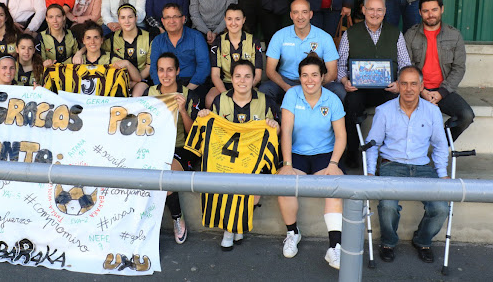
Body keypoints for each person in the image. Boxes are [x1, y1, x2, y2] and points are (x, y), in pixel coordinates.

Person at [365, 66, 449, 264]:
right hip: (391, 165)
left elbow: (440, 145)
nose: (409, 89)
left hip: (422, 167)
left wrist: (443, 173)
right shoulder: (384, 111)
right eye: (404, 83)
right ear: (398, 85)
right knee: (387, 206)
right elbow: (372, 143)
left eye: (414, 84)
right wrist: (369, 172)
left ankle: (422, 240)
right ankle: (388, 242)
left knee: (440, 208)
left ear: (421, 86)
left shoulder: (432, 111)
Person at [198, 59, 279, 250]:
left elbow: (277, 133)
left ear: (254, 79)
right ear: (231, 79)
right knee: (224, 181)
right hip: (226, 159)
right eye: (238, 76)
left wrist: (275, 127)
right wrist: (204, 116)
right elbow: (212, 133)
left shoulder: (265, 101)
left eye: (247, 76)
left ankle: (235, 225)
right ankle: (231, 228)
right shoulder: (220, 100)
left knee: (253, 190)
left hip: (253, 160)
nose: (242, 81)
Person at [276, 53, 346, 270]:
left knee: (336, 185)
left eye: (314, 75)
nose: (309, 80)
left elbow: (341, 136)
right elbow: (285, 131)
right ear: (299, 77)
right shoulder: (292, 95)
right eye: (304, 75)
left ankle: (335, 246)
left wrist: (333, 164)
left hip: (324, 154)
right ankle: (292, 232)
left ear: (323, 76)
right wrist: (287, 164)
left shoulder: (332, 99)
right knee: (283, 183)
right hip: (296, 153)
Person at [337, 0, 411, 168]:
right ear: (363, 10)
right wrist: (344, 80)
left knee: (396, 104)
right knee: (351, 103)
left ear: (385, 12)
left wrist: (399, 84)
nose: (375, 13)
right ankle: (353, 150)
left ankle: (388, 154)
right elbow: (340, 64)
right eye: (371, 9)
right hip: (359, 89)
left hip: (388, 88)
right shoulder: (351, 33)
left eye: (379, 10)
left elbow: (405, 64)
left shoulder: (395, 33)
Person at [144, 53, 201, 245]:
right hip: (155, 145)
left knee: (164, 174)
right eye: (161, 70)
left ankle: (177, 217)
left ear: (177, 71)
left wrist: (183, 111)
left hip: (183, 147)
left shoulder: (189, 95)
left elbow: (194, 134)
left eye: (170, 69)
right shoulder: (149, 92)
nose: (165, 74)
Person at [404, 0, 474, 140]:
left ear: (441, 9)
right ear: (420, 13)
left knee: (466, 115)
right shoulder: (410, 35)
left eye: (434, 10)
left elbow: (459, 68)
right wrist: (422, 91)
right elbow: (407, 67)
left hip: (443, 90)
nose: (430, 14)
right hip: (418, 91)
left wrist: (441, 92)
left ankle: (441, 143)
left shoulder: (454, 35)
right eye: (426, 11)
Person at [259, 0, 344, 104]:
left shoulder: (324, 37)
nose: (300, 17)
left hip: (315, 80)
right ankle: (276, 119)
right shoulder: (280, 36)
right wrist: (286, 87)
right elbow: (270, 71)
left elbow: (332, 73)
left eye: (304, 12)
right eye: (296, 12)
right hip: (287, 80)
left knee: (339, 90)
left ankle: (334, 120)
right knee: (265, 89)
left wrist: (315, 85)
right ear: (291, 15)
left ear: (311, 14)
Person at [206, 4, 263, 108]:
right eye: (229, 19)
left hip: (247, 84)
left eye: (237, 19)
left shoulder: (254, 41)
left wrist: (244, 89)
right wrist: (227, 94)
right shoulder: (218, 42)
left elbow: (258, 75)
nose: (233, 23)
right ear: (225, 20)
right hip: (225, 84)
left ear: (244, 20)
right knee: (210, 99)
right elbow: (215, 75)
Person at [149, 3, 210, 97]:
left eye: (175, 17)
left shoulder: (196, 37)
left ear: (183, 19)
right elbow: (154, 68)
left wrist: (187, 91)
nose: (171, 21)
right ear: (163, 21)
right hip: (166, 85)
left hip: (192, 84)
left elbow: (204, 66)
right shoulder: (158, 41)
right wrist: (163, 90)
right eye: (167, 17)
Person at [103, 4, 153, 97]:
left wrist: (135, 80)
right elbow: (94, 45)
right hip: (117, 81)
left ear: (136, 18)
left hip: (142, 80)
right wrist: (80, 52)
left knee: (135, 97)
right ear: (118, 20)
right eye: (123, 17)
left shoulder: (149, 38)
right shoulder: (111, 39)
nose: (127, 21)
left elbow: (149, 67)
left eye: (130, 17)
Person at [72, 21, 141, 83]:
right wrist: (79, 53)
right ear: (83, 40)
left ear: (102, 40)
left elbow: (137, 79)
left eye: (96, 37)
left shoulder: (111, 59)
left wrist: (127, 63)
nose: (92, 42)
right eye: (88, 38)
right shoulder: (75, 59)